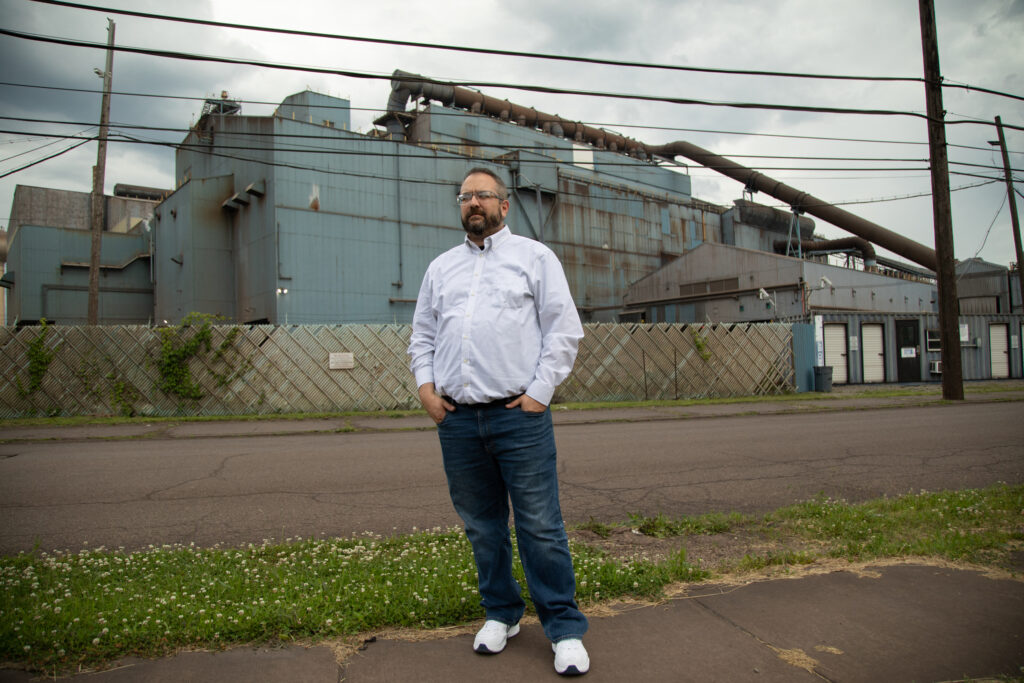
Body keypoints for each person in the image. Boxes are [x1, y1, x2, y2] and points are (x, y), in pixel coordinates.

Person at [408, 167, 590, 675]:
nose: (473, 203)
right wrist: (426, 389)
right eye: (465, 196)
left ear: (504, 206)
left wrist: (538, 393)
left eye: (483, 195)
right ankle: (502, 613)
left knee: (540, 525)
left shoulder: (534, 258)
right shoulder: (440, 268)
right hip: (459, 422)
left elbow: (563, 331)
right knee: (483, 528)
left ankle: (564, 626)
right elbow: (422, 335)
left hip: (519, 417)